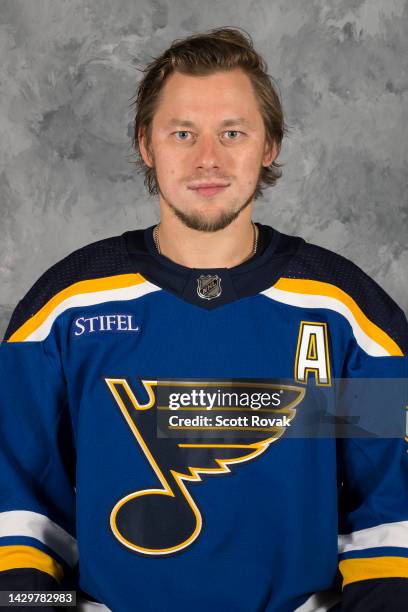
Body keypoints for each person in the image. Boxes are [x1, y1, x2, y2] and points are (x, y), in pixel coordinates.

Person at [0, 27, 407, 612]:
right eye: (182, 133)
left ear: (269, 146)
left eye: (233, 133)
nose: (207, 159)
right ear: (146, 144)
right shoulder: (63, 309)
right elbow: (19, 509)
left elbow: (391, 516)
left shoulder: (346, 313)